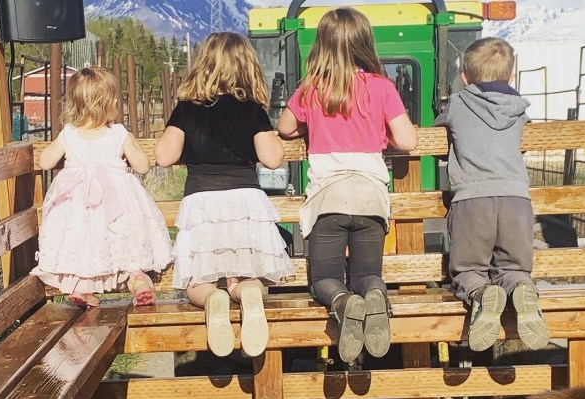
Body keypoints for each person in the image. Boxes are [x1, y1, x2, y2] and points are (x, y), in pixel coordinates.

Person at [277, 8, 418, 363]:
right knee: (369, 273)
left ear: (321, 46)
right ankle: (372, 296)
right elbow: (408, 140)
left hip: (329, 200)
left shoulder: (311, 90)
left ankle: (344, 302)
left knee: (324, 278)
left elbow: (284, 128)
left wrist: (313, 124)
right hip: (370, 197)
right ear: (365, 43)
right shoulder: (382, 87)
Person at [154, 32, 295, 358]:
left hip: (202, 201)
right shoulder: (251, 110)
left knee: (198, 281)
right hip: (245, 201)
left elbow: (163, 156)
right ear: (247, 67)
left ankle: (212, 299)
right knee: (245, 276)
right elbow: (273, 159)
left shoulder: (188, 109)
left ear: (203, 65)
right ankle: (247, 294)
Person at [433, 37, 549, 352]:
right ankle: (522, 289)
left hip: (472, 200)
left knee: (469, 269)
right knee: (514, 267)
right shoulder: (519, 110)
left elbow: (438, 128)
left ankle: (482, 294)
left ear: (466, 78)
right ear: (511, 78)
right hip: (516, 200)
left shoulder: (458, 103)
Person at [32, 66, 172, 308]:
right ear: (108, 103)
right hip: (116, 204)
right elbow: (143, 165)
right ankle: (137, 278)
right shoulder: (117, 134)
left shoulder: (69, 135)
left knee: (81, 240)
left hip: (79, 206)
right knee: (124, 240)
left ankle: (82, 288)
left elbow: (45, 162)